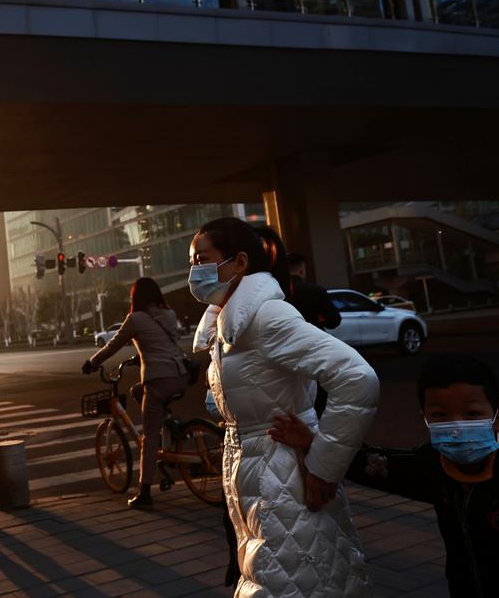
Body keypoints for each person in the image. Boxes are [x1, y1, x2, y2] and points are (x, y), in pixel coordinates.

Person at [270, 354, 499, 597]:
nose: (457, 424)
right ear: (424, 418)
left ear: (498, 418)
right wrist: (314, 442)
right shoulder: (433, 468)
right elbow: (374, 465)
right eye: (440, 415)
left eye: (472, 414)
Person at [190, 217, 379, 597]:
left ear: (239, 262)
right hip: (255, 473)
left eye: (202, 259)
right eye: (192, 261)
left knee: (298, 582)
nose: (194, 271)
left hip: (284, 473)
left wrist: (324, 468)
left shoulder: (267, 316)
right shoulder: (227, 324)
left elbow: (357, 379)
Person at [82, 277, 189, 508]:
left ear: (136, 297)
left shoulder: (135, 319)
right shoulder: (168, 314)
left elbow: (113, 345)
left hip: (159, 380)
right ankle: (169, 423)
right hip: (180, 376)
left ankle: (144, 493)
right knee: (136, 390)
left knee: (149, 437)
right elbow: (162, 344)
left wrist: (92, 362)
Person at [286, 252, 341, 417]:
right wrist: (319, 317)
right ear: (302, 270)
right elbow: (334, 320)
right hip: (315, 349)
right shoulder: (315, 291)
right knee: (320, 399)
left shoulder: (279, 294)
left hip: (287, 351)